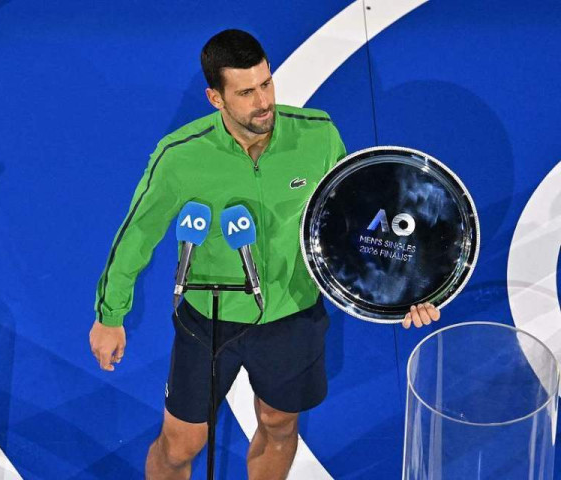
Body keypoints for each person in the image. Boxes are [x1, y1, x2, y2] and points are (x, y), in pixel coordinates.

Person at [89, 29, 440, 480]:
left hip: (293, 315)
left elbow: (356, 225)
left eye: (267, 84)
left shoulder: (318, 136)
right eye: (246, 92)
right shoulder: (179, 157)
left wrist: (405, 291)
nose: (264, 102)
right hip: (210, 315)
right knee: (180, 445)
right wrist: (110, 315)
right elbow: (137, 234)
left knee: (278, 425)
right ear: (215, 98)